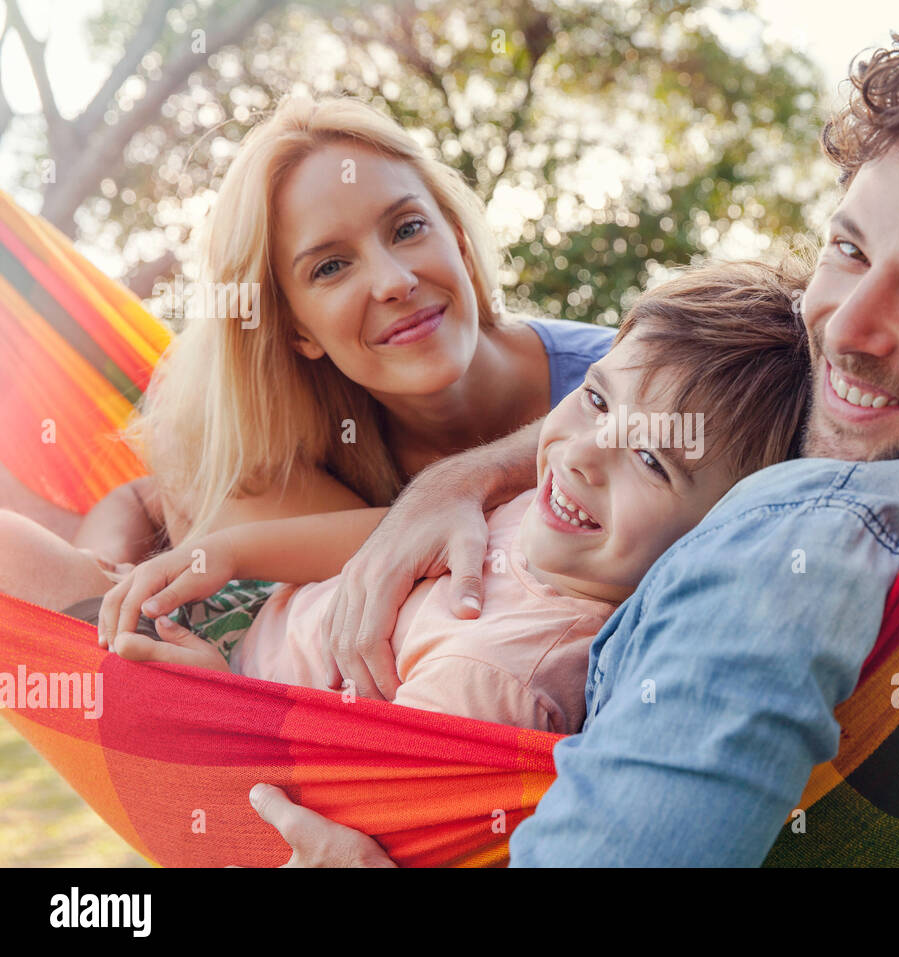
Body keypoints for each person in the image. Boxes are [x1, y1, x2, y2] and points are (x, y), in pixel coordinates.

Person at [178, 9, 899, 864]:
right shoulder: (809, 395)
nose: (842, 324)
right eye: (845, 249)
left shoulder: (799, 541)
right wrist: (462, 484)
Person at [102, 262, 811, 735]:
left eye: (652, 460)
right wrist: (227, 552)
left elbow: (348, 800)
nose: (584, 453)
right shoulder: (553, 515)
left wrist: (220, 701)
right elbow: (390, 541)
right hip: (253, 608)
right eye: (596, 398)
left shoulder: (498, 676)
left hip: (234, 689)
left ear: (720, 533)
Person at [0, 95, 612, 629]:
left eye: (408, 228)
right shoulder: (311, 434)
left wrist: (469, 479)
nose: (394, 281)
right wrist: (107, 589)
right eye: (330, 267)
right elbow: (147, 497)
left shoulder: (625, 376)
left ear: (456, 237)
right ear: (296, 332)